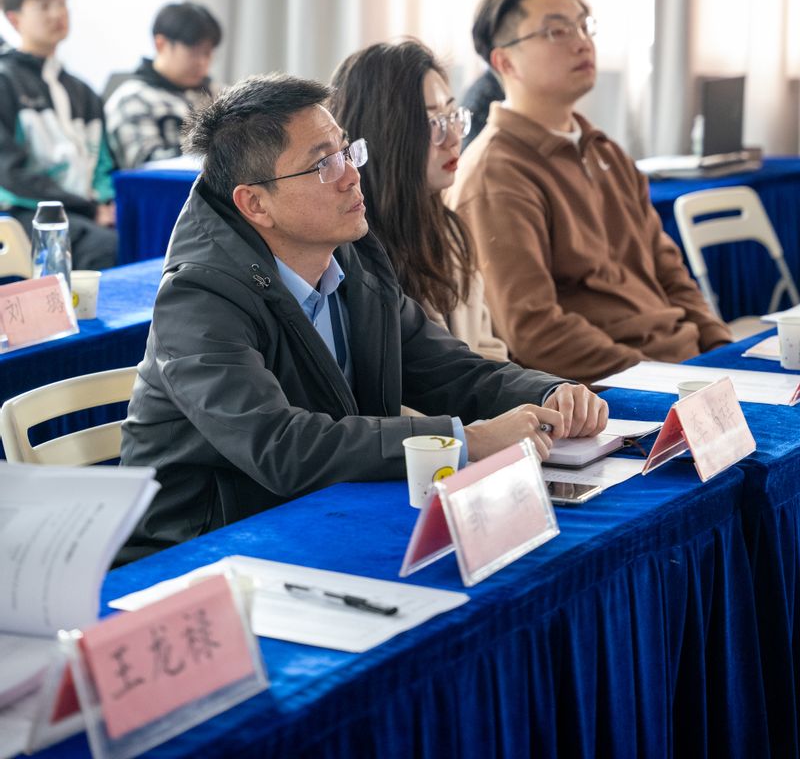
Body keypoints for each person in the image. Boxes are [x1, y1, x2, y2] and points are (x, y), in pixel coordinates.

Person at [119, 72, 608, 558]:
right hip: (203, 552)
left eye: (347, 151)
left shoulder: (352, 260)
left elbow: (449, 370)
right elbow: (280, 446)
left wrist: (548, 393)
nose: (352, 175)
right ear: (255, 203)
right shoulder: (199, 297)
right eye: (323, 165)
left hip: (323, 520)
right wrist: (465, 440)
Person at [449, 0, 733, 383]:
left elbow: (671, 274)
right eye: (557, 31)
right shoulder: (496, 172)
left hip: (682, 369)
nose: (582, 42)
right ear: (505, 62)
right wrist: (656, 376)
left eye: (584, 26)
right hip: (614, 391)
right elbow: (534, 333)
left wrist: (723, 354)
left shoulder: (605, 152)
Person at [330, 39, 600, 404]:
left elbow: (487, 353)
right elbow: (384, 403)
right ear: (383, 132)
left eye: (452, 116)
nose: (454, 137)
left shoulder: (449, 231)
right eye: (432, 122)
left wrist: (536, 402)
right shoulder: (354, 252)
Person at [0, 0, 118, 269]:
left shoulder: (83, 91)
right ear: (14, 19)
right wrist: (87, 208)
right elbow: (8, 174)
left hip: (84, 212)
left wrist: (106, 203)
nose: (57, 13)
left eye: (62, 3)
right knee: (107, 248)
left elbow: (103, 164)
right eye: (43, 6)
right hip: (26, 212)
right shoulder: (5, 81)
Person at [105, 1, 222, 169]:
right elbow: (144, 164)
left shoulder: (220, 94)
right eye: (194, 53)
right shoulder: (133, 99)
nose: (202, 62)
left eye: (208, 53)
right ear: (161, 44)